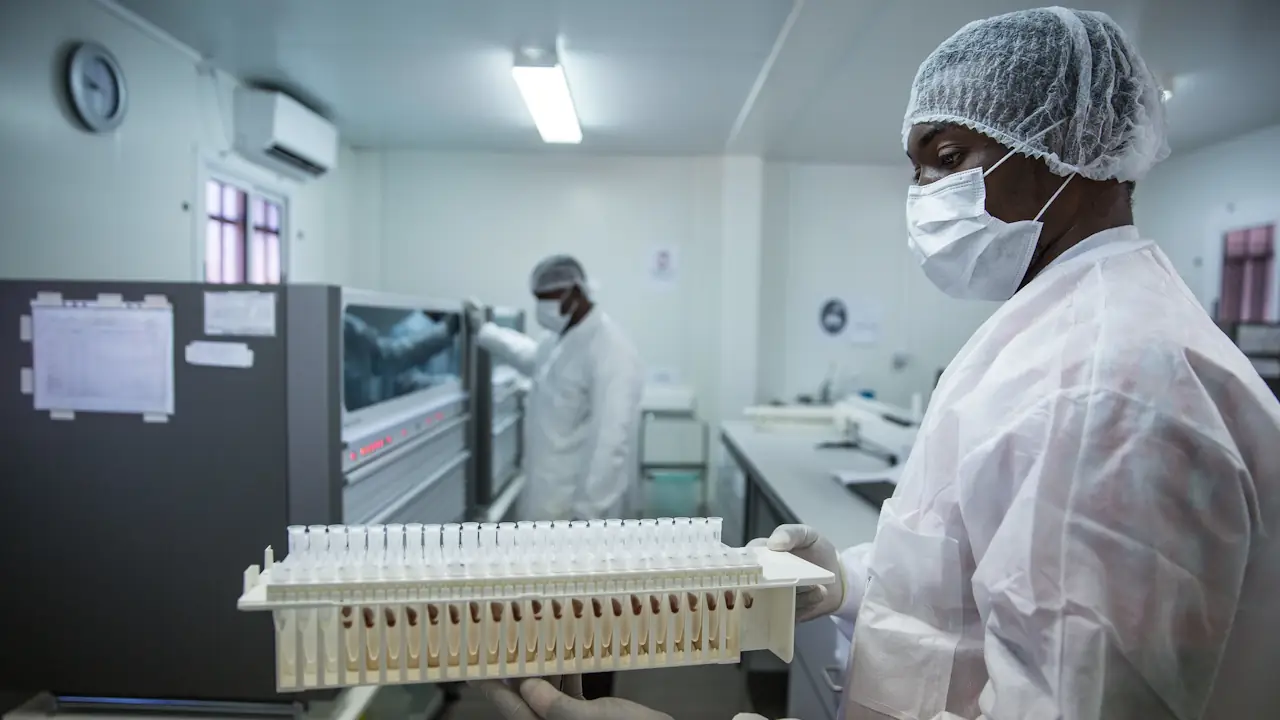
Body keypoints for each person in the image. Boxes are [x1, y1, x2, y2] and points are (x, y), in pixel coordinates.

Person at [475, 7, 1280, 720]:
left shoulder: (1110, 383)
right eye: (916, 164)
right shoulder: (1059, 328)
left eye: (947, 154)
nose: (922, 191)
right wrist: (849, 582)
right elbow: (985, 581)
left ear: (1064, 153)